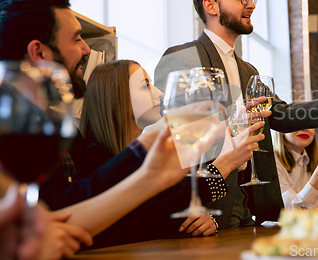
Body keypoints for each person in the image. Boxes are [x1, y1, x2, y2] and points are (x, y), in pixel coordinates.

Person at [154, 0, 318, 229]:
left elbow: (282, 115)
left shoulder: (248, 71)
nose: (251, 3)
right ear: (211, 6)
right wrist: (193, 208)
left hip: (248, 212)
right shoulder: (181, 59)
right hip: (207, 212)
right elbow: (182, 143)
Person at [0, 0, 219, 252]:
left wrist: (148, 165)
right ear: (39, 52)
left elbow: (65, 208)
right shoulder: (18, 133)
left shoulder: (59, 131)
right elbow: (62, 211)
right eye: (76, 38)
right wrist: (145, 159)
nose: (86, 50)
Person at [75, 59, 264, 243]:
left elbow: (170, 207)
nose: (159, 93)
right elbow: (140, 223)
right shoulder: (96, 158)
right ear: (116, 96)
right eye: (145, 86)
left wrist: (203, 221)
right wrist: (223, 166)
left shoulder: (145, 156)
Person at [273, 129, 318, 209]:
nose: (305, 128)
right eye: (297, 121)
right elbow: (292, 209)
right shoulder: (271, 162)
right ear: (280, 129)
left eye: (309, 124)